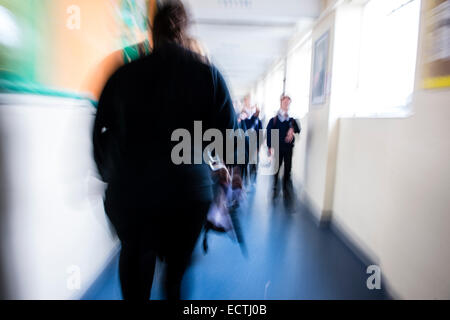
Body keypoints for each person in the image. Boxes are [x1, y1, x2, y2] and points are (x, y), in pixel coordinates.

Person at [93, 0, 237, 300]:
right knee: (175, 277)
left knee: (135, 266)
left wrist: (107, 171)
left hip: (132, 194)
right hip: (187, 195)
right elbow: (228, 139)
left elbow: (99, 131)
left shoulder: (122, 73)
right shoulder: (208, 76)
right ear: (184, 31)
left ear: (151, 30)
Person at [266, 94, 301, 201]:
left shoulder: (292, 119)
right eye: (285, 102)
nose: (287, 104)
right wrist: (270, 147)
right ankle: (275, 186)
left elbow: (299, 129)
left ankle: (286, 189)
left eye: (288, 103)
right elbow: (269, 133)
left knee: (288, 169)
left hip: (288, 149)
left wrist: (292, 129)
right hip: (277, 149)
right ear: (281, 103)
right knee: (276, 168)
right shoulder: (275, 119)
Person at [241, 96, 263, 185]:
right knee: (244, 163)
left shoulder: (257, 119)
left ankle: (253, 179)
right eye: (247, 102)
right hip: (243, 145)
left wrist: (259, 146)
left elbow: (260, 133)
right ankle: (244, 180)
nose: (249, 104)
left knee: (254, 163)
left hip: (254, 144)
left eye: (250, 102)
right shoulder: (241, 118)